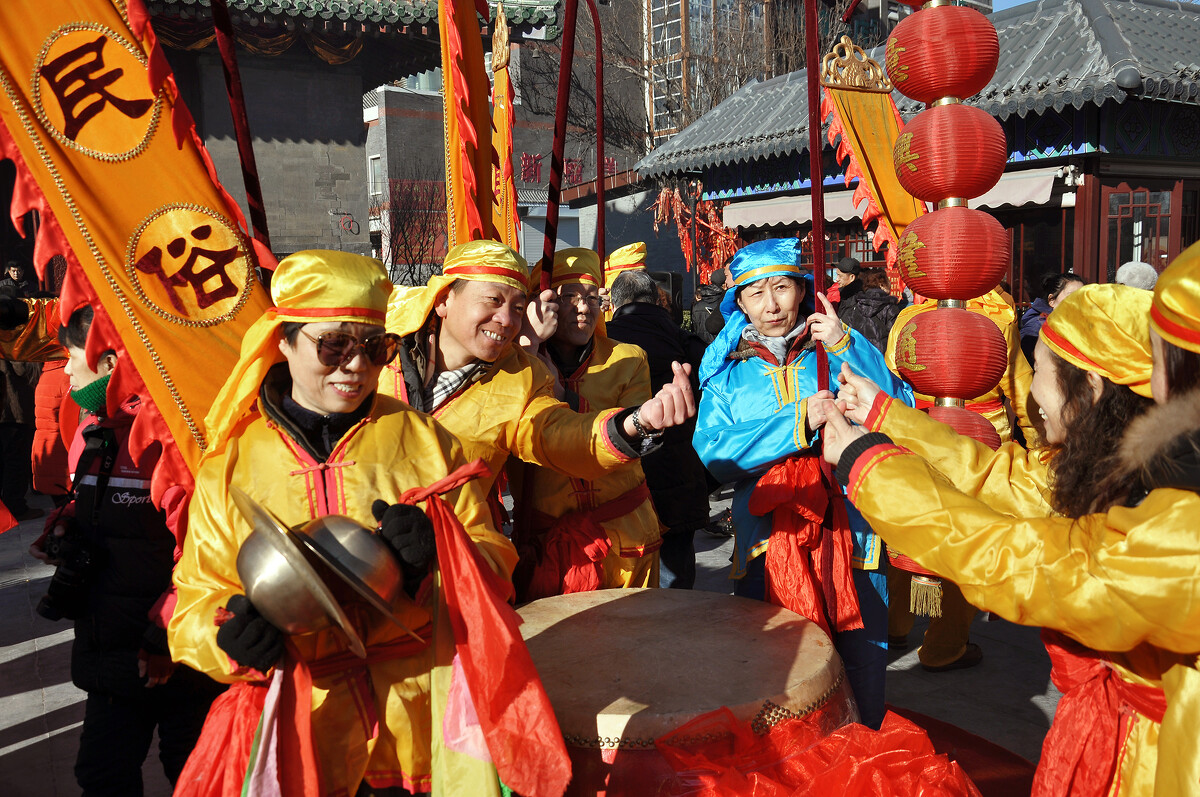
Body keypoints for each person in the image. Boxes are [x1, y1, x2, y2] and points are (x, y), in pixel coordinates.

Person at [817, 271, 1200, 794]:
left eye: (1037, 366)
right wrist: (886, 417)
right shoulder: (1130, 461)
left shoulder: (1181, 525)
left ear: (1089, 386)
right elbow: (1003, 479)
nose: (1034, 393)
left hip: (1160, 760)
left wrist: (870, 465)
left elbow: (1012, 561)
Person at [169, 251, 518, 795]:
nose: (355, 366)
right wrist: (229, 640)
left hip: (419, 732)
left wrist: (442, 557)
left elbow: (495, 561)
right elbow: (194, 602)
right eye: (333, 345)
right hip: (301, 736)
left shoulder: (427, 442)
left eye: (374, 348)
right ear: (283, 341)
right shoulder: (231, 468)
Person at [691, 238, 914, 729]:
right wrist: (798, 422)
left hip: (851, 533)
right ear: (740, 303)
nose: (771, 305)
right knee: (773, 666)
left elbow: (900, 408)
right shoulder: (730, 376)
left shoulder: (839, 352)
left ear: (802, 291)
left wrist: (844, 345)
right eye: (756, 293)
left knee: (861, 661)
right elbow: (716, 454)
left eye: (782, 287)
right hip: (767, 540)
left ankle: (860, 754)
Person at [30, 305, 223, 796]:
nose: (67, 369)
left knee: (195, 777)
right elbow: (93, 506)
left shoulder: (172, 438)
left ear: (112, 363)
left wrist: (164, 634)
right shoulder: (95, 430)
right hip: (111, 652)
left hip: (173, 657)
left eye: (73, 357)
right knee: (102, 776)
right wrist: (63, 527)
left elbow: (206, 550)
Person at [378, 240, 696, 520]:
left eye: (516, 307)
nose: (505, 318)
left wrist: (636, 422)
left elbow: (559, 435)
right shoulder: (377, 357)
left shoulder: (521, 379)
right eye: (492, 300)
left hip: (457, 561)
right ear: (443, 299)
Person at [884, 285, 1040, 670]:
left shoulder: (908, 318)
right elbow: (1020, 389)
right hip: (979, 437)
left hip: (920, 427)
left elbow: (894, 374)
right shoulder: (997, 318)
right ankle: (944, 645)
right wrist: (1038, 443)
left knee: (910, 528)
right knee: (967, 537)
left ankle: (894, 625)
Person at [510, 250, 666, 598]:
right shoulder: (513, 365)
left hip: (625, 540)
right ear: (543, 305)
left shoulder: (628, 358)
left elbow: (628, 440)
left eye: (593, 297)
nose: (584, 308)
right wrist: (528, 351)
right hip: (548, 545)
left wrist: (563, 394)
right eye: (570, 298)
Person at [606, 268, 708, 589]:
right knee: (676, 577)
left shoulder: (604, 341)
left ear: (614, 302)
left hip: (624, 477)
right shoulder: (687, 341)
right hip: (681, 473)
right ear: (656, 300)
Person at [1020, 271, 1084, 364]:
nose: (1077, 301)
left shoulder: (1081, 325)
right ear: (1052, 300)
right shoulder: (1036, 328)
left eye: (1082, 296)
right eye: (1071, 295)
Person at [835, 268, 901, 355]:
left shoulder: (855, 304)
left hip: (859, 356)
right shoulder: (889, 307)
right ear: (882, 285)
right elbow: (896, 337)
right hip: (881, 357)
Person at [602, 241, 647, 321]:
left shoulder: (658, 300)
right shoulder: (600, 309)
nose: (639, 280)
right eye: (632, 276)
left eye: (643, 274)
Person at [691, 267, 729, 344]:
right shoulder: (724, 303)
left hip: (700, 347)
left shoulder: (697, 305)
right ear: (724, 283)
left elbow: (693, 328)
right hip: (721, 348)